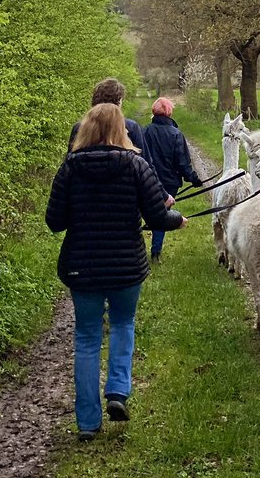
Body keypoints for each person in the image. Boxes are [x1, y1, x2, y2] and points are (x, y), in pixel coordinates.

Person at [46, 103, 187, 439]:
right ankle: (118, 392)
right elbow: (156, 216)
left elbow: (55, 221)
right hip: (125, 266)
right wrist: (177, 220)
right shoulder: (136, 166)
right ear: (119, 130)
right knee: (123, 324)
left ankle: (87, 422)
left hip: (82, 267)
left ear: (87, 129)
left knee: (86, 338)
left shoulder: (69, 168)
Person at [142, 96, 202, 262]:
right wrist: (193, 179)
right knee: (161, 215)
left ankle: (137, 249)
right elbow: (183, 162)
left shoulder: (145, 131)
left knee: (143, 211)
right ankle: (155, 252)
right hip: (169, 183)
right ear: (169, 112)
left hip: (146, 180)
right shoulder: (176, 134)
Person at [68, 78, 145, 151]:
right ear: (118, 102)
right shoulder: (131, 127)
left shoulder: (80, 127)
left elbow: (70, 160)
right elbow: (145, 160)